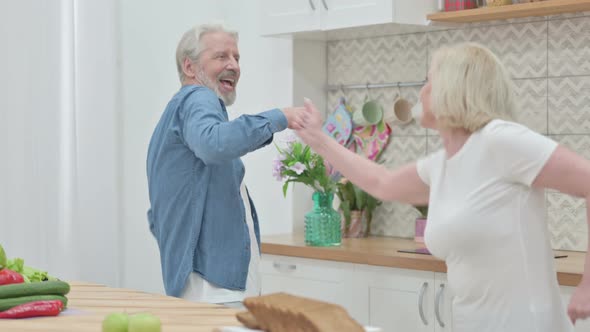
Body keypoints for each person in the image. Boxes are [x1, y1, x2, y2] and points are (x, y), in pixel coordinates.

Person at [295, 42, 590, 331]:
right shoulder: (442, 165)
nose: (421, 92)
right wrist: (318, 138)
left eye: (428, 81)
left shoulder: (500, 140)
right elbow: (381, 182)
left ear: (452, 89)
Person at [146, 23, 305, 304]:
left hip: (206, 286)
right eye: (221, 56)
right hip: (215, 290)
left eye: (237, 58)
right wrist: (280, 116)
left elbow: (157, 214)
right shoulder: (198, 98)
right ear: (190, 67)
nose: (234, 65)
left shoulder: (177, 113)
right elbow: (215, 143)